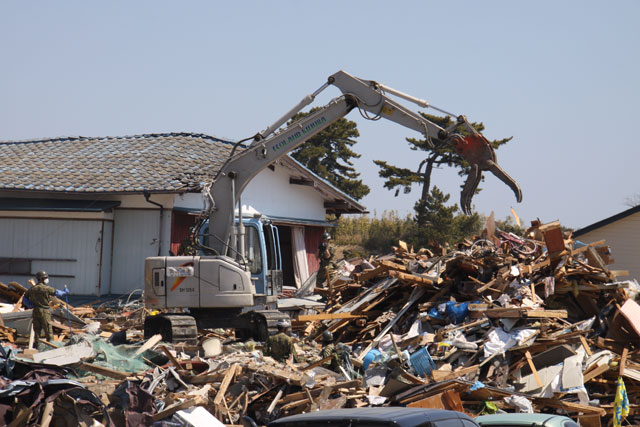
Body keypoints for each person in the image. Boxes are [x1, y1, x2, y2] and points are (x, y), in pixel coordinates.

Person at [24, 271, 68, 345]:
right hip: (44, 311)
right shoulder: (46, 288)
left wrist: (30, 305)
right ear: (41, 279)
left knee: (37, 331)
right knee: (48, 330)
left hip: (35, 311)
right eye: (45, 278)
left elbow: (24, 298)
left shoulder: (32, 289)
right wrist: (65, 292)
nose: (46, 279)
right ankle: (50, 346)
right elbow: (57, 293)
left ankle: (37, 346)